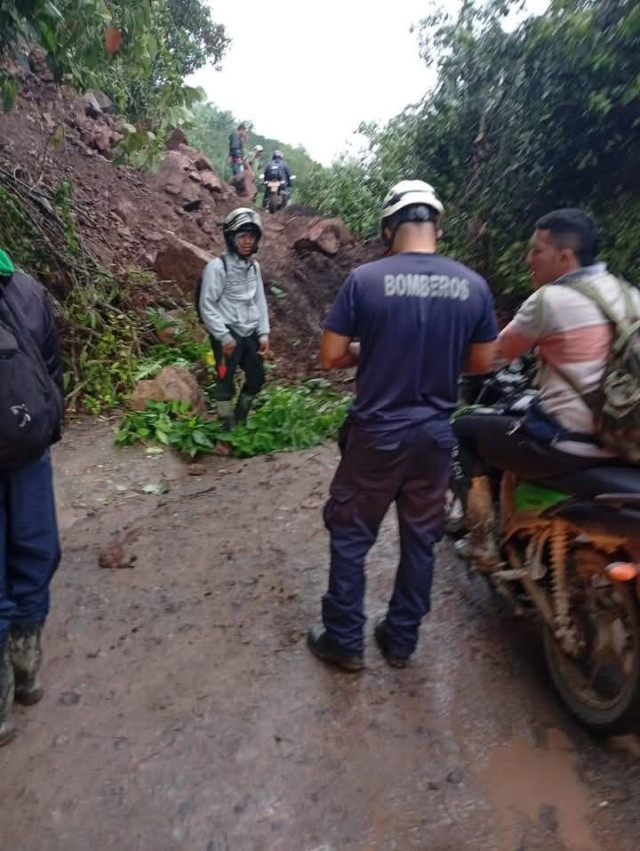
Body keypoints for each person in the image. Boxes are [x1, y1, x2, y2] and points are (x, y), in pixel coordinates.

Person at [307, 180, 498, 671]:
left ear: (388, 229)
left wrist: (371, 349)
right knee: (420, 537)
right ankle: (400, 638)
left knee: (352, 534)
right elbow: (482, 363)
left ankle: (345, 640)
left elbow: (330, 355)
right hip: (434, 437)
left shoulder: (365, 281)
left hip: (377, 434)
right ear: (437, 228)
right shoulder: (473, 286)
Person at [453, 208, 640, 565]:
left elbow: (488, 360)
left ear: (565, 257)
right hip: (626, 440)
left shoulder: (549, 300)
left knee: (461, 429)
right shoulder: (629, 293)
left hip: (569, 447)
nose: (528, 259)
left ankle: (481, 542)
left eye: (537, 250)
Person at [0, 248, 64, 746]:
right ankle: (15, 678)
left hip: (27, 453)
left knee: (31, 556)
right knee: (31, 554)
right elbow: (51, 370)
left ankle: (16, 677)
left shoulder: (24, 290)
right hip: (29, 453)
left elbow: (49, 368)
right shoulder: (25, 288)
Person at [198, 209, 270, 429]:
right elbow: (207, 304)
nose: (247, 241)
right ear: (231, 238)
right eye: (242, 236)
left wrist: (263, 333)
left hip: (250, 333)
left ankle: (241, 416)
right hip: (227, 334)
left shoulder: (253, 267)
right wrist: (223, 336)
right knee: (224, 379)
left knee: (257, 378)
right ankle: (225, 426)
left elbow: (259, 300)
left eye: (252, 236)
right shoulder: (217, 267)